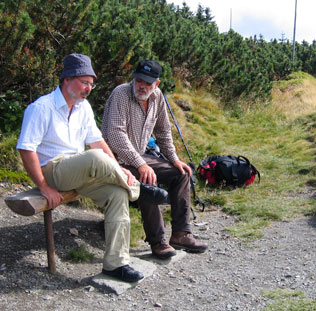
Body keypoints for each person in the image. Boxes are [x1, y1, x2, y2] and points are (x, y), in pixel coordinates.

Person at [16, 53, 163, 283]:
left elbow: (98, 141)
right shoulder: (41, 108)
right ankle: (139, 190)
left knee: (116, 194)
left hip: (79, 171)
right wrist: (44, 187)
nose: (89, 88)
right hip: (54, 171)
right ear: (66, 79)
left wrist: (120, 169)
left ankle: (116, 264)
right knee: (94, 157)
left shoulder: (83, 108)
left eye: (91, 84)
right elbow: (26, 149)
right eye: (84, 82)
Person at [101, 60, 208, 259]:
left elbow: (163, 131)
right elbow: (115, 136)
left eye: (147, 83)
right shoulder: (121, 94)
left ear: (156, 84)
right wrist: (141, 164)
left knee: (181, 173)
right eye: (138, 80)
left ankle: (181, 233)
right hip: (113, 160)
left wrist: (174, 159)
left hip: (139, 157)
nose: (141, 85)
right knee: (147, 182)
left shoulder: (157, 97)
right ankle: (157, 241)